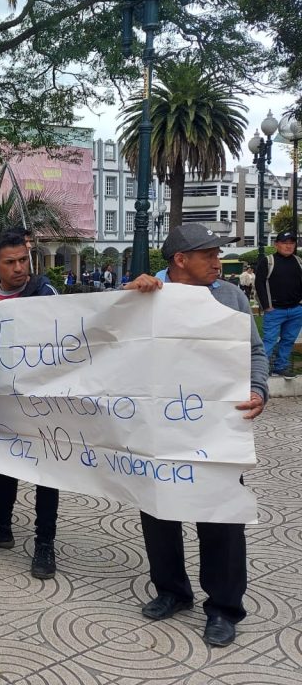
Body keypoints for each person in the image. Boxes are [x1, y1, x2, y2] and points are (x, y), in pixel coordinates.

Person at [123, 223, 268, 647]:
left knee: (220, 516)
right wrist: (129, 297)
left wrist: (258, 389)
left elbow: (254, 351)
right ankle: (171, 591)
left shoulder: (230, 296)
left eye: (217, 254)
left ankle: (223, 608)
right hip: (157, 429)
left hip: (213, 430)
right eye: (209, 255)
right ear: (180, 260)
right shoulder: (143, 295)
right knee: (159, 509)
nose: (217, 263)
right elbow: (108, 346)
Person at [0, 229, 61, 579]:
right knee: (5, 465)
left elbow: (59, 335)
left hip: (41, 405)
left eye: (24, 260)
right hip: (0, 401)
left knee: (46, 473)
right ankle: (0, 526)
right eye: (11, 262)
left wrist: (17, 311)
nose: (20, 268)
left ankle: (44, 543)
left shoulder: (43, 290)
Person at [255, 231, 302, 378]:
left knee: (288, 340)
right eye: (284, 243)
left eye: (291, 243)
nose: (288, 246)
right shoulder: (267, 261)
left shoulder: (299, 261)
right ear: (276, 244)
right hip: (275, 310)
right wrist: (267, 306)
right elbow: (260, 284)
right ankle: (261, 370)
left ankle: (280, 367)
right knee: (269, 340)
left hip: (296, 309)